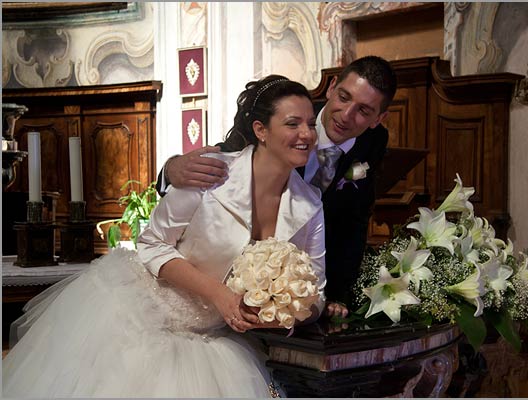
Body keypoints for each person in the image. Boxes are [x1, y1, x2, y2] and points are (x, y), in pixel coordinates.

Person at [2, 75, 326, 398]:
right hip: (139, 316)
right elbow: (152, 244)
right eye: (292, 123)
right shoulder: (210, 172)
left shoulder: (310, 205)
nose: (306, 134)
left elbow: (316, 296)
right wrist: (219, 295)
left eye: (310, 124)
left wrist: (275, 315)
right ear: (261, 130)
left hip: (212, 337)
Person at [159, 56, 396, 312]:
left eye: (363, 110)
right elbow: (232, 158)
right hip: (233, 266)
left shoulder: (374, 140)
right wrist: (170, 170)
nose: (347, 115)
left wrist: (336, 295)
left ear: (378, 118)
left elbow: (354, 218)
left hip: (297, 273)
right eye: (344, 97)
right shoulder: (289, 113)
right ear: (331, 87)